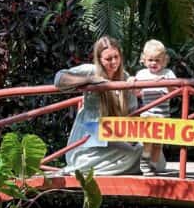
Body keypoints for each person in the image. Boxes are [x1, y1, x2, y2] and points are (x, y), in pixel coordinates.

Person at [53, 36, 142, 175]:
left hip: (110, 135)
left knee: (139, 151)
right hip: (89, 136)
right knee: (132, 156)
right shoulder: (91, 70)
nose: (114, 62)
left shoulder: (124, 76)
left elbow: (132, 112)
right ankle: (76, 169)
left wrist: (135, 87)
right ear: (99, 59)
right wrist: (88, 80)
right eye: (108, 59)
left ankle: (85, 170)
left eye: (116, 57)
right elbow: (59, 79)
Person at [134, 40, 176, 175]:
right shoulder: (142, 74)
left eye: (157, 60)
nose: (153, 63)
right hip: (147, 114)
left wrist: (166, 82)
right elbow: (136, 93)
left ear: (164, 61)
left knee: (158, 144)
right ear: (144, 60)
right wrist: (133, 82)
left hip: (163, 115)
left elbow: (175, 91)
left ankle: (153, 166)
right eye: (150, 60)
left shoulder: (168, 73)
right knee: (148, 141)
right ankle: (145, 163)